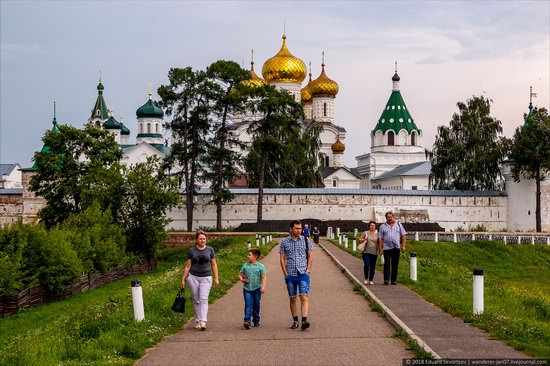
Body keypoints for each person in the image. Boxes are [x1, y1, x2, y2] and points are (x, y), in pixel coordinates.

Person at [181, 231, 219, 330]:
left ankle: (203, 321)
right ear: (196, 240)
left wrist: (216, 278)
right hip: (193, 277)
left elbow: (214, 265)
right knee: (195, 299)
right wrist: (183, 279)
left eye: (204, 239)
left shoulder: (210, 250)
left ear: (206, 240)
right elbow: (187, 266)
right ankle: (198, 320)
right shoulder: (191, 250)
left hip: (206, 278)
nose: (202, 240)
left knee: (203, 299)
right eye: (200, 239)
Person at [279, 220, 314, 330]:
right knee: (293, 298)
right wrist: (285, 274)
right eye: (297, 228)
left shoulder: (306, 240)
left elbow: (311, 256)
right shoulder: (284, 242)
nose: (299, 230)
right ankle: (295, 320)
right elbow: (282, 258)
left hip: (303, 273)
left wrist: (308, 270)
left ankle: (304, 321)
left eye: (300, 228)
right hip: (290, 274)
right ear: (291, 229)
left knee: (304, 296)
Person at [239, 248, 267, 329]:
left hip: (257, 289)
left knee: (256, 305)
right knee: (248, 305)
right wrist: (242, 279)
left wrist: (263, 286)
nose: (247, 256)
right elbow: (240, 274)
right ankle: (247, 321)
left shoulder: (261, 266)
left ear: (255, 256)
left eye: (249, 255)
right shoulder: (245, 265)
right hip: (247, 289)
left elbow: (264, 277)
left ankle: (256, 320)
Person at [378, 212, 406, 285]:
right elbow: (380, 238)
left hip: (396, 247)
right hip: (387, 248)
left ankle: (393, 280)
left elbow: (403, 235)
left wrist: (403, 246)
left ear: (393, 217)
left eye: (391, 217)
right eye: (388, 217)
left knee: (395, 264)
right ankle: (386, 279)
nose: (389, 218)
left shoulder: (399, 225)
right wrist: (380, 249)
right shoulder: (382, 226)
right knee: (386, 263)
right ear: (386, 218)